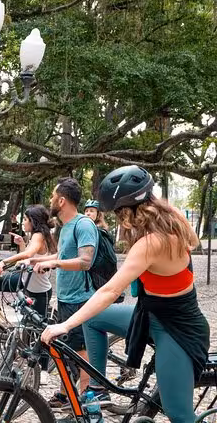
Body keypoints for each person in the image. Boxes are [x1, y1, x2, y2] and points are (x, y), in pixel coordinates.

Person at [41, 166, 209, 423]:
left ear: (129, 210)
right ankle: (98, 389)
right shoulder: (168, 217)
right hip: (149, 313)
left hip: (178, 328)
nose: (119, 221)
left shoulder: (152, 243)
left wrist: (65, 324)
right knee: (93, 318)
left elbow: (110, 290)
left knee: (179, 414)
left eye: (118, 214)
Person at [32, 177, 99, 403]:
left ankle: (86, 399)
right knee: (65, 347)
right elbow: (62, 256)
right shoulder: (66, 227)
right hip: (65, 298)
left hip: (81, 298)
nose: (50, 200)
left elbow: (85, 261)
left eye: (52, 196)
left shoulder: (84, 224)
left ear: (61, 201)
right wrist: (35, 260)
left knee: (80, 351)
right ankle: (64, 393)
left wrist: (55, 263)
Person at [0, 205, 56, 319]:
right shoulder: (35, 236)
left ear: (33, 221)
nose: (23, 222)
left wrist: (4, 262)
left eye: (26, 219)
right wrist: (22, 244)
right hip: (26, 283)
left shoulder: (39, 235)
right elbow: (26, 259)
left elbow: (28, 255)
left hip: (40, 292)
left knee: (35, 330)